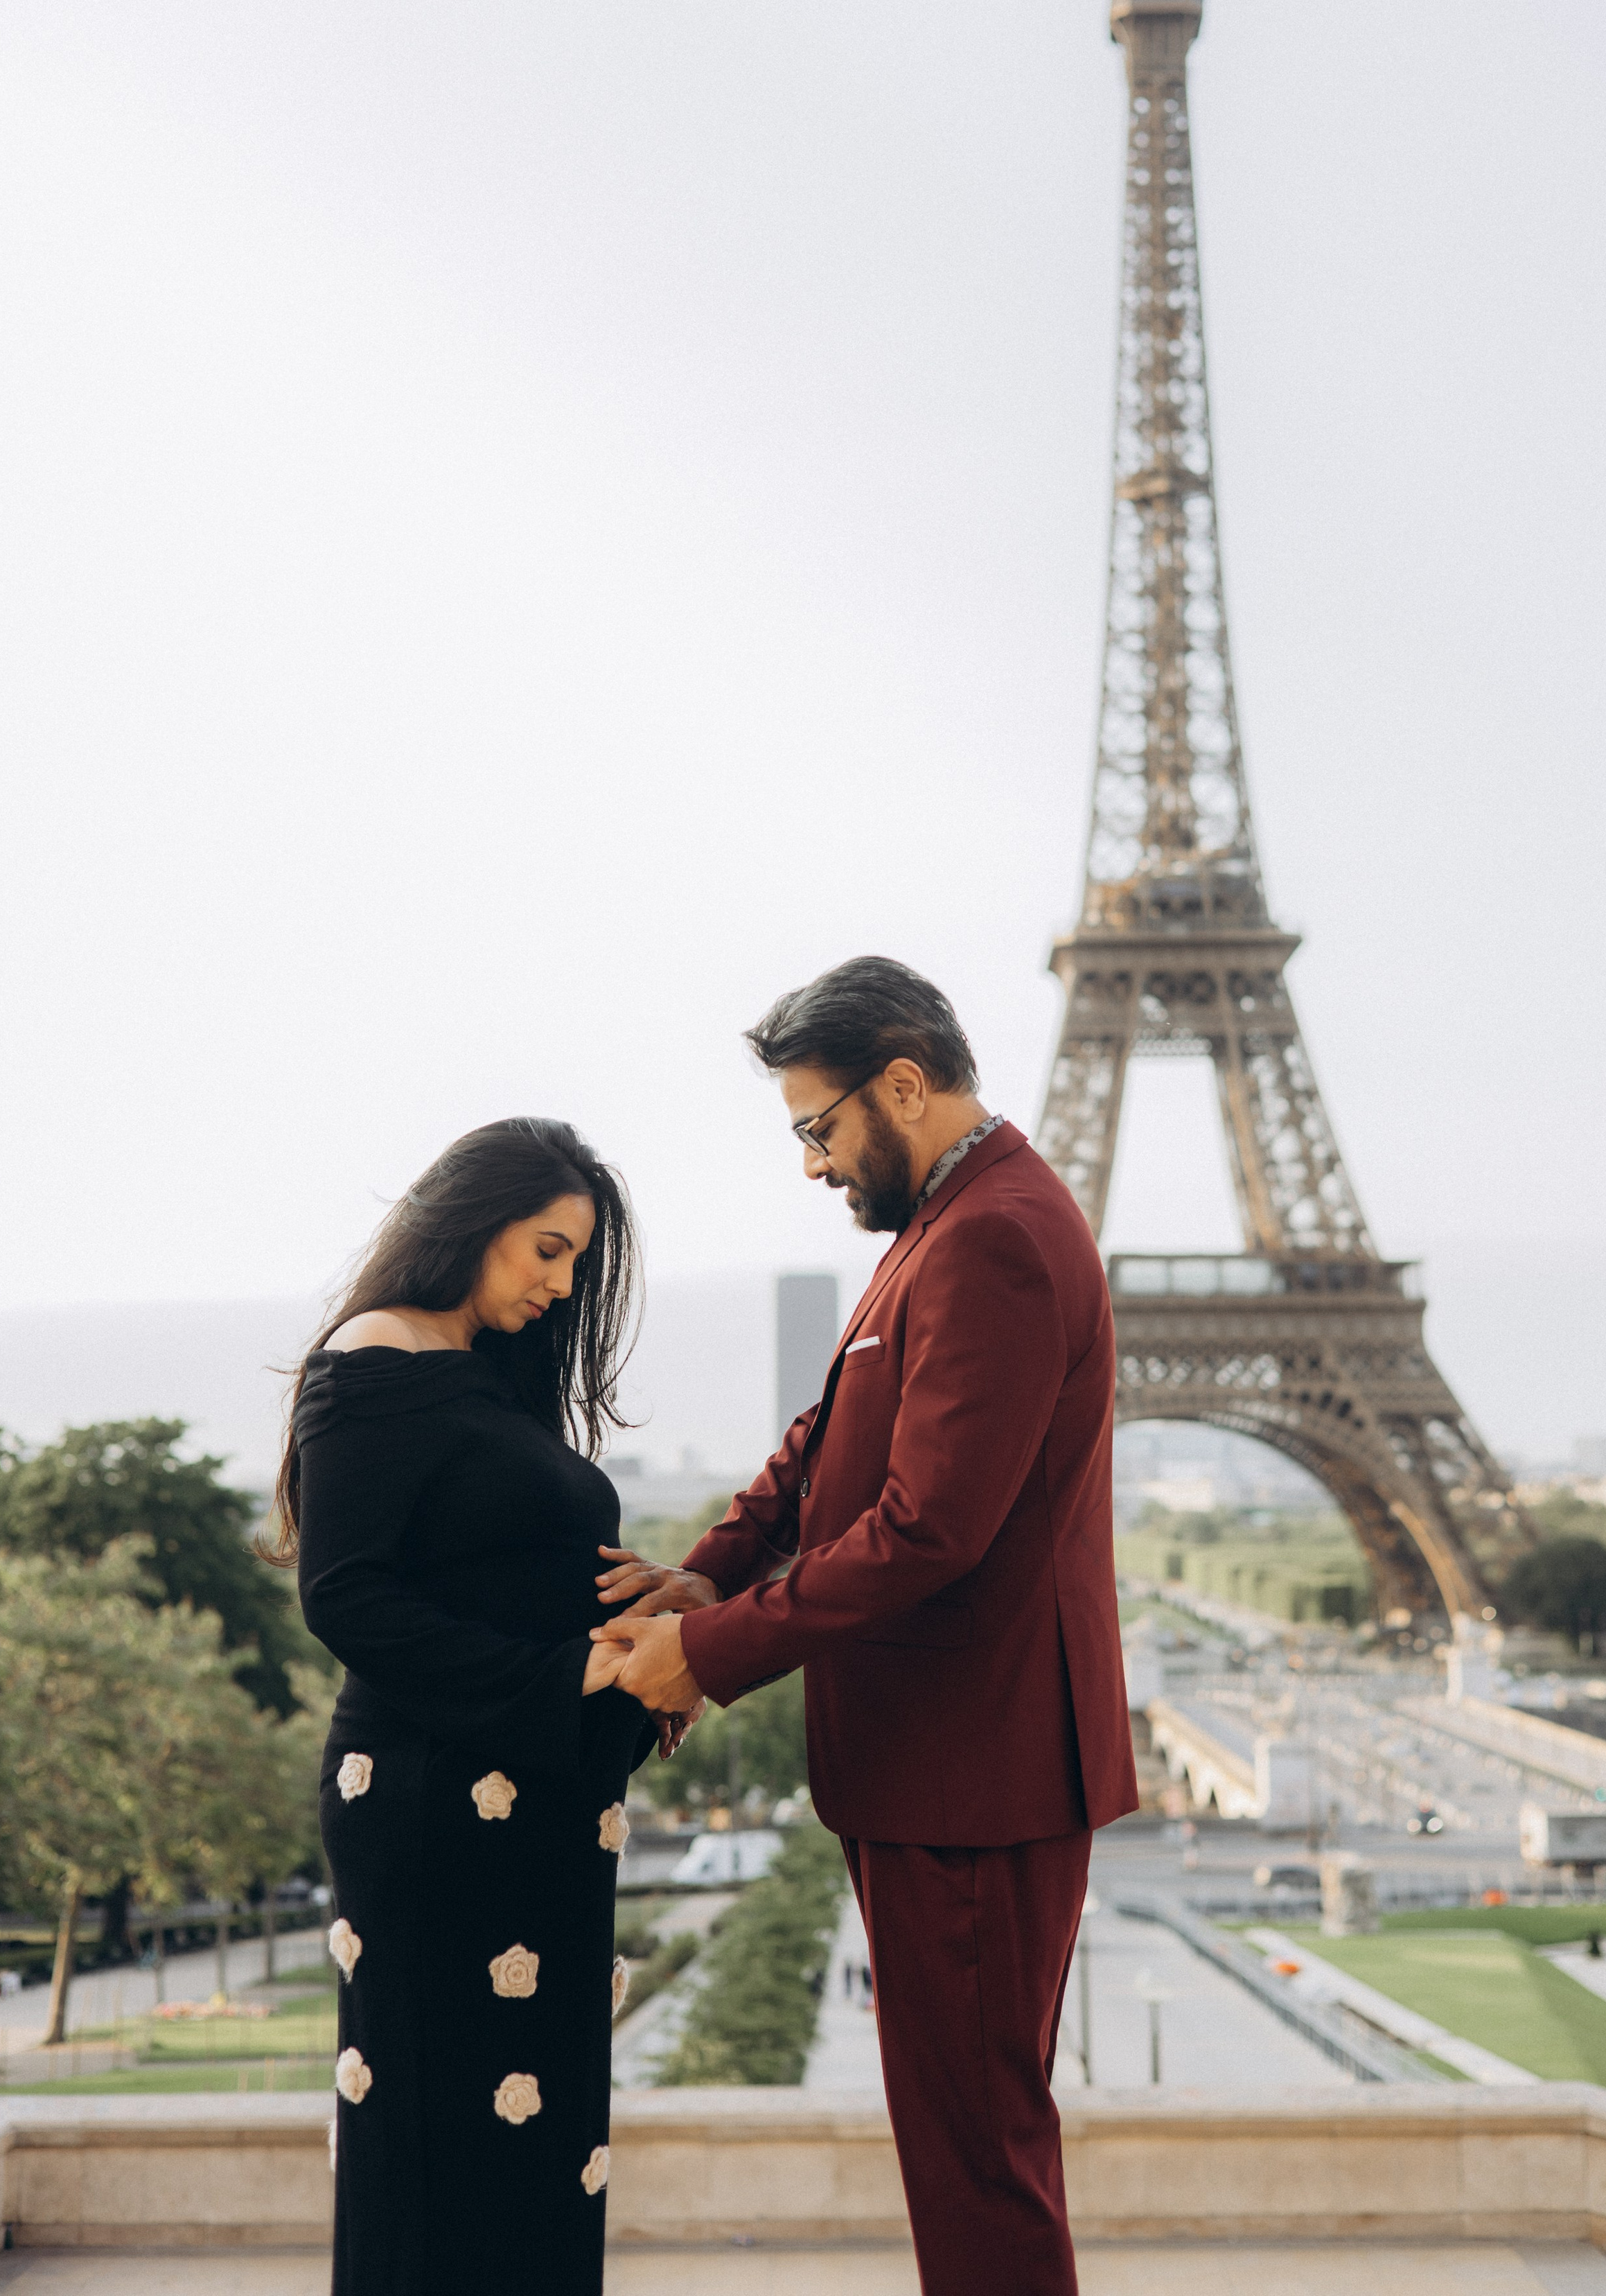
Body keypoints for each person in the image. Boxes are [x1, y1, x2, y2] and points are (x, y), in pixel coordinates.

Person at [594, 958, 1136, 2296]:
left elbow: (927, 1527)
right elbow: (826, 1440)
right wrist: (705, 1579)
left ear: (903, 1082)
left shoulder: (996, 1235)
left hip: (975, 1777)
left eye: (817, 1126)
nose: (812, 1163)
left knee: (977, 2159)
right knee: (964, 2147)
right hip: (950, 1770)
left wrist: (704, 1659)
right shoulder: (949, 1226)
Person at [266, 1116, 681, 2296]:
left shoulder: (480, 1376)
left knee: (541, 2146)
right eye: (547, 1250)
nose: (561, 1286)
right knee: (448, 2141)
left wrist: (640, 1649)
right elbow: (345, 1598)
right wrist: (575, 1678)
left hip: (534, 1800)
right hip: (442, 1805)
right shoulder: (377, 1355)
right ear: (471, 1220)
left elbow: (488, 1567)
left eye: (575, 1265)